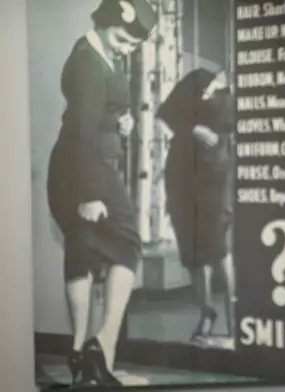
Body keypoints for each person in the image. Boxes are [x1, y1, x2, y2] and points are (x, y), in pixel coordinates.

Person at [46, 0, 157, 386]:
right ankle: (102, 349)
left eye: (133, 44)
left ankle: (83, 357)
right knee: (127, 244)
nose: (127, 47)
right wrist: (90, 193)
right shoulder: (90, 64)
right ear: (106, 23)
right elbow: (82, 131)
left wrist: (119, 122)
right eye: (123, 39)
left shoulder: (94, 54)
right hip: (87, 171)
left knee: (82, 248)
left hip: (80, 167)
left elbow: (94, 118)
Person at [156, 68, 235, 344]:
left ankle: (235, 315)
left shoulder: (239, 92)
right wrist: (192, 128)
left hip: (216, 174)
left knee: (216, 245)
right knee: (190, 246)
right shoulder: (197, 78)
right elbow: (164, 112)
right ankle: (207, 313)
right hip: (180, 172)